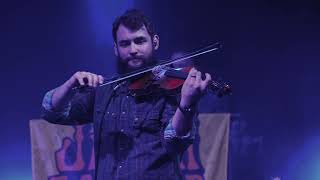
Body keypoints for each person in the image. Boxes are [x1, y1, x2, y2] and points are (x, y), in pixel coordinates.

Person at [41, 9, 212, 180]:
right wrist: (70, 84)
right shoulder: (105, 90)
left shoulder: (170, 88)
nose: (133, 50)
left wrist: (187, 104)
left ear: (155, 42)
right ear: (116, 48)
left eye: (140, 41)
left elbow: (175, 143)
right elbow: (52, 112)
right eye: (125, 44)